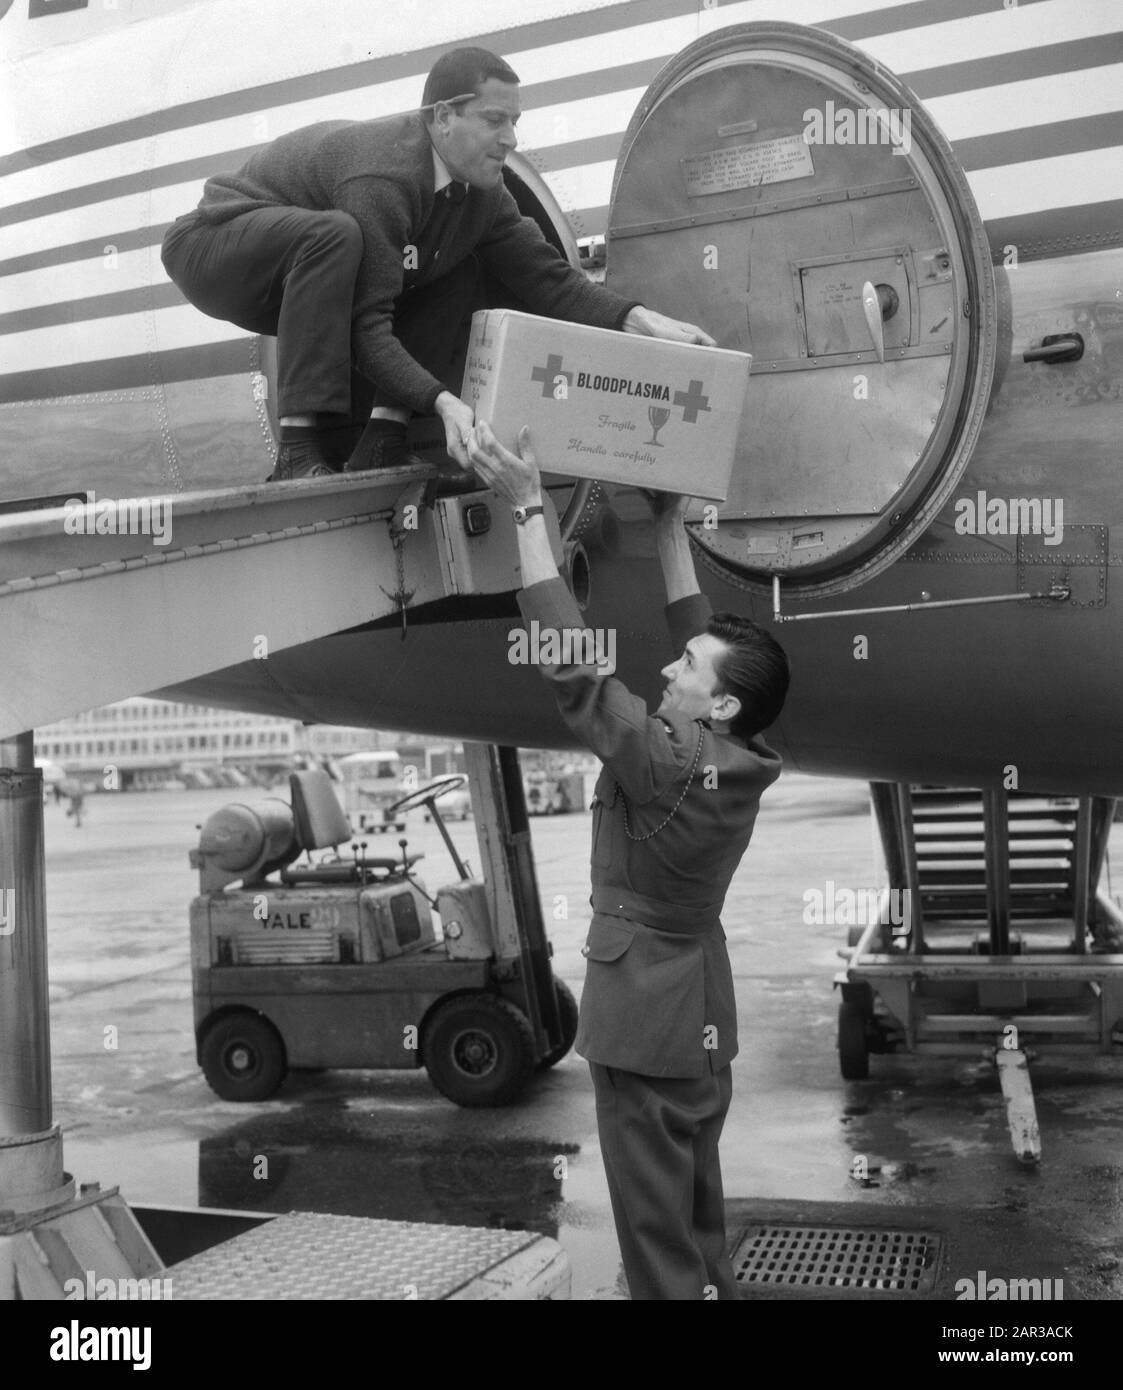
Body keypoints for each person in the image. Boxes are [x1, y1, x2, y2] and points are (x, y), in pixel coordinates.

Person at [466, 421, 791, 1301]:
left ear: (715, 703)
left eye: (683, 668)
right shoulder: (744, 748)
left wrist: (529, 507)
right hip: (696, 1020)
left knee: (654, 1241)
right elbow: (708, 636)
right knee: (693, 1212)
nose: (667, 664)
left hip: (646, 1021)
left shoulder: (665, 759)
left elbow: (574, 674)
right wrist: (669, 524)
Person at [161, 47, 713, 482]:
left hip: (305, 278)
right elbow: (365, 326)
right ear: (443, 117)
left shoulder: (482, 195)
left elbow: (548, 281)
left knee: (461, 271)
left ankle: (383, 439)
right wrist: (443, 400)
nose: (511, 138)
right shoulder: (383, 175)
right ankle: (298, 448)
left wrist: (642, 320)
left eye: (514, 121)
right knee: (334, 235)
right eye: (495, 119)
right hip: (217, 248)